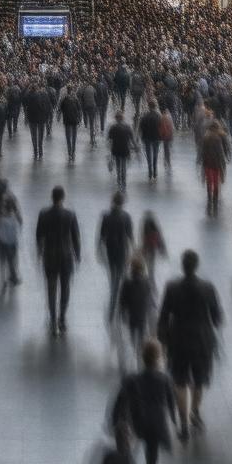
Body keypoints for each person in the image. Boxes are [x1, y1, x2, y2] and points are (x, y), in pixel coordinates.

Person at [156, 249, 223, 443]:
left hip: (178, 340)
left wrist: (163, 339)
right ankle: (195, 412)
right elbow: (217, 318)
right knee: (199, 380)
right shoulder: (208, 288)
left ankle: (183, 423)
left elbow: (163, 316)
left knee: (179, 381)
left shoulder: (171, 287)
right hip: (202, 340)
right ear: (197, 265)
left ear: (182, 265)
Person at [112, 339, 176, 464]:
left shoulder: (132, 379)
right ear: (159, 358)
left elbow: (120, 400)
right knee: (152, 454)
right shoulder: (165, 379)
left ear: (142, 358)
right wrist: (174, 421)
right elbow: (170, 401)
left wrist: (115, 421)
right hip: (156, 424)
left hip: (137, 422)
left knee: (130, 451)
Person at [36, 185, 81, 336]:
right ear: (63, 197)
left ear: (52, 197)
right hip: (66, 256)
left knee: (51, 288)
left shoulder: (44, 214)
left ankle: (52, 318)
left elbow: (39, 236)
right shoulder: (70, 215)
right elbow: (76, 237)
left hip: (50, 256)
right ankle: (62, 318)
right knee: (65, 287)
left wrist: (39, 252)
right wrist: (78, 255)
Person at [99, 192, 134, 322]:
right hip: (122, 251)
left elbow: (102, 236)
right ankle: (122, 307)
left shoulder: (106, 216)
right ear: (123, 203)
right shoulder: (126, 217)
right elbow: (130, 236)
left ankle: (112, 306)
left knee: (113, 278)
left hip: (110, 251)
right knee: (122, 277)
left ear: (112, 201)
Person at [0, 197, 22, 290]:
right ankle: (13, 277)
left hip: (2, 243)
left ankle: (4, 279)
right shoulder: (15, 218)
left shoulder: (0, 219)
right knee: (12, 260)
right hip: (13, 243)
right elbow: (18, 230)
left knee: (2, 262)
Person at [106, 112, 137, 190]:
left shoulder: (113, 127)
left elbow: (109, 139)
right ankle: (124, 180)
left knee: (118, 165)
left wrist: (110, 149)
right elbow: (132, 139)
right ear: (123, 118)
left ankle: (119, 179)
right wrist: (135, 147)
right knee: (123, 165)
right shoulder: (128, 127)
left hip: (116, 149)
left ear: (116, 118)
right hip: (125, 149)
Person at [139, 100, 162, 181]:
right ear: (155, 106)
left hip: (147, 138)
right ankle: (155, 171)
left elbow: (141, 127)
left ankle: (150, 171)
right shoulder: (159, 116)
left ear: (148, 106)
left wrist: (141, 136)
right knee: (155, 154)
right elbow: (161, 127)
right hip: (156, 138)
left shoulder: (145, 116)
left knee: (148, 155)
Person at [60, 84, 84, 163]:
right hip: (74, 119)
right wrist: (80, 119)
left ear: (67, 90)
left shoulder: (64, 99)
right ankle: (73, 152)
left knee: (68, 137)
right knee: (74, 136)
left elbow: (61, 109)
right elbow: (79, 109)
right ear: (72, 90)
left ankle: (69, 152)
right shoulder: (76, 99)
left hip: (67, 120)